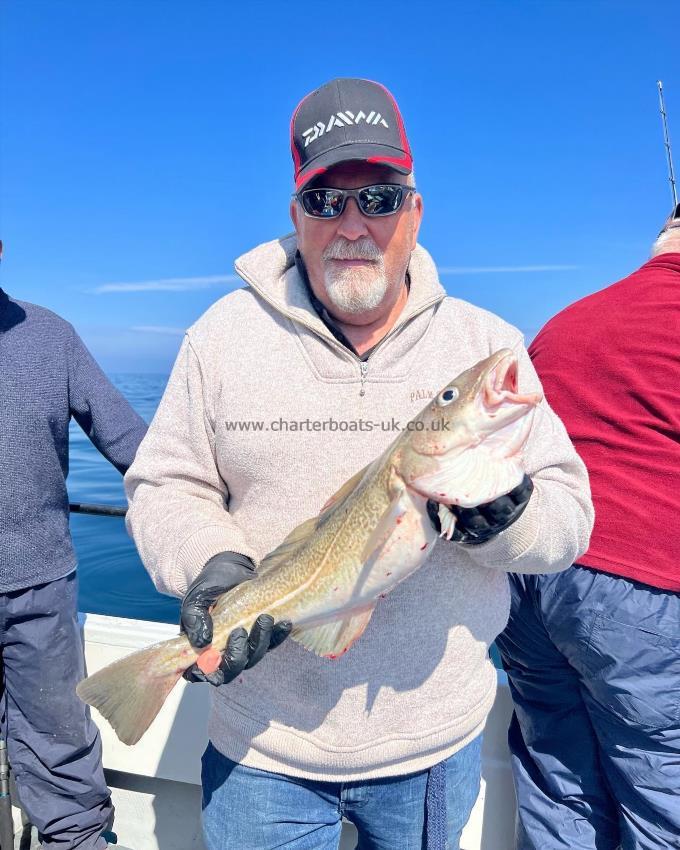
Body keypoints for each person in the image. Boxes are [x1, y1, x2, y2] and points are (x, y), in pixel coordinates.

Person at [124, 77, 593, 850]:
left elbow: (569, 524)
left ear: (415, 211)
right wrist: (208, 564)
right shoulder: (219, 336)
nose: (351, 226)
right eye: (324, 201)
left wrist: (507, 518)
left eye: (377, 199)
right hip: (260, 748)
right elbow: (163, 483)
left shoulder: (487, 345)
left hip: (432, 750)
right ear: (295, 215)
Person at [495, 206, 680, 849]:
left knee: (556, 782)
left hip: (530, 582)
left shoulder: (566, 322)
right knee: (663, 802)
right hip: (645, 597)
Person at [0, 275, 147, 849]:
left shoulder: (52, 336)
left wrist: (206, 513)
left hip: (41, 591)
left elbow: (132, 442)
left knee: (62, 751)